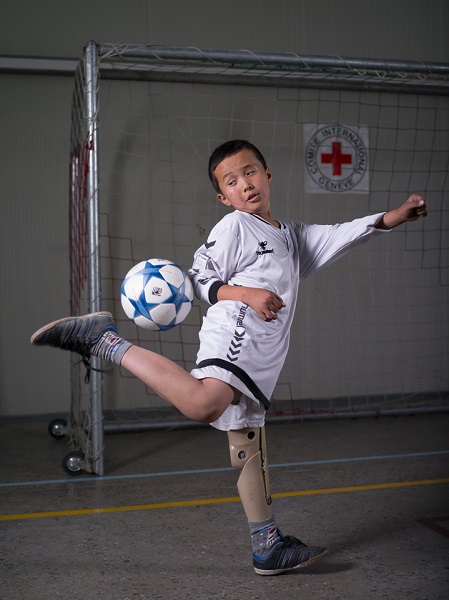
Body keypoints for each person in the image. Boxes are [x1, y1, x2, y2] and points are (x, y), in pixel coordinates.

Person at [31, 139, 428, 576]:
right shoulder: (235, 225)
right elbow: (200, 278)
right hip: (237, 333)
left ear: (268, 174)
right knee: (205, 404)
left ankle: (267, 546)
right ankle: (104, 341)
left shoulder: (292, 236)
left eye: (250, 172)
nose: (245, 184)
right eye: (232, 181)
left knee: (246, 441)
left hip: (262, 355)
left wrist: (397, 215)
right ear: (223, 197)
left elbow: (344, 234)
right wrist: (248, 294)